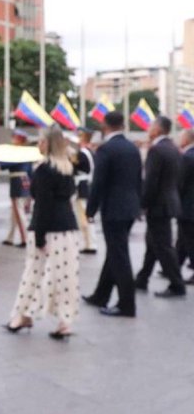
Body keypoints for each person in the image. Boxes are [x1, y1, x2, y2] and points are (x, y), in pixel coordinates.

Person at [5, 124, 82, 340]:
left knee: (33, 273)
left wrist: (39, 236)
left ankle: (22, 315)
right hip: (68, 228)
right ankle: (65, 321)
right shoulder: (66, 166)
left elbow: (44, 205)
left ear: (47, 144)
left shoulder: (44, 170)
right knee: (65, 276)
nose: (37, 144)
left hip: (46, 227)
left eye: (40, 140)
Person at [83, 111, 142, 318]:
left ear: (105, 125)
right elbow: (138, 180)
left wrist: (90, 210)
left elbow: (98, 183)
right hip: (129, 208)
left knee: (119, 257)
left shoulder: (106, 149)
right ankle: (101, 294)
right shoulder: (132, 148)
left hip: (114, 209)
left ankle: (127, 304)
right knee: (115, 253)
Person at [135, 114, 185, 298]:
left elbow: (151, 182)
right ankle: (142, 278)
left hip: (158, 205)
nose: (148, 129)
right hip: (168, 202)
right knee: (152, 243)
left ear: (158, 129)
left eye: (150, 126)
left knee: (163, 246)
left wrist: (143, 204)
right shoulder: (173, 148)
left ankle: (176, 284)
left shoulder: (157, 150)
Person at [2, 128, 33, 247]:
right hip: (25, 181)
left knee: (18, 211)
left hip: (17, 182)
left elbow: (3, 166)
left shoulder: (16, 152)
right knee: (15, 211)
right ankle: (10, 237)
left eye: (14, 137)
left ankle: (25, 238)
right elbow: (30, 171)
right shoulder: (27, 152)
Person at [74, 128, 97, 254]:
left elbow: (75, 167)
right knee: (87, 216)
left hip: (82, 186)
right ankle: (89, 243)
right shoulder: (91, 152)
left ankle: (89, 244)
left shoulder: (82, 153)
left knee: (84, 216)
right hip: (88, 184)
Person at [177, 126, 194, 280]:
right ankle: (174, 266)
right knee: (183, 239)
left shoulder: (187, 157)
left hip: (188, 205)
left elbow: (180, 182)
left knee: (189, 240)